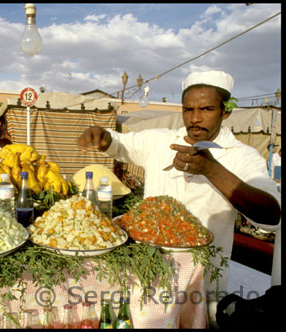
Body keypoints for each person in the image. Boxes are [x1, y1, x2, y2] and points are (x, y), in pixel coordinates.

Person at [77, 70, 281, 315]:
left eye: (206, 109)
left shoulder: (242, 156)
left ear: (225, 111)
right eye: (188, 109)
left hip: (200, 281)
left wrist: (212, 170)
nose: (195, 118)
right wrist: (103, 138)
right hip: (146, 270)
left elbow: (272, 216)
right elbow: (121, 145)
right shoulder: (161, 140)